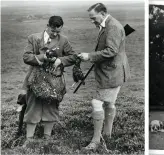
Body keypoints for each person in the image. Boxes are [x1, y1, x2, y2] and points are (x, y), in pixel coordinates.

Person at [77, 3, 130, 150]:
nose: (92, 21)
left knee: (96, 103)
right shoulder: (108, 24)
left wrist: (89, 56)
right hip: (114, 71)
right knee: (109, 103)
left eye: (93, 18)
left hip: (111, 73)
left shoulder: (112, 26)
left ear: (103, 13)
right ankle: (107, 135)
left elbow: (111, 51)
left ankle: (96, 141)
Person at [22, 16, 76, 146]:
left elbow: (73, 56)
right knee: (32, 106)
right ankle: (29, 140)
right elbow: (26, 57)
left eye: (58, 31)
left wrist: (60, 60)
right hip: (35, 78)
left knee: (51, 107)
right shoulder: (34, 38)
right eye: (53, 30)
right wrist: (43, 57)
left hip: (54, 80)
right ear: (47, 25)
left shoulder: (64, 40)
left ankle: (47, 138)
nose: (55, 34)